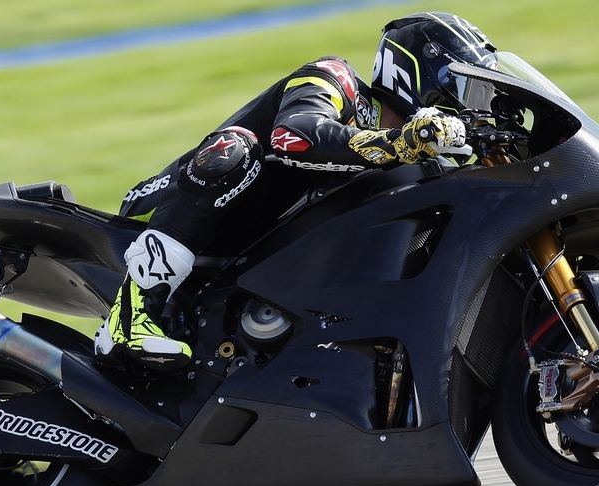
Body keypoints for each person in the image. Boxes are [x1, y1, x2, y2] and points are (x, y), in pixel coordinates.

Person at [94, 12, 500, 368]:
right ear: (416, 72)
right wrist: (395, 143)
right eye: (464, 87)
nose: (470, 107)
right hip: (166, 206)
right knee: (233, 149)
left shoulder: (421, 159)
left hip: (249, 255)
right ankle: (129, 315)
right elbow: (294, 136)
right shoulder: (334, 78)